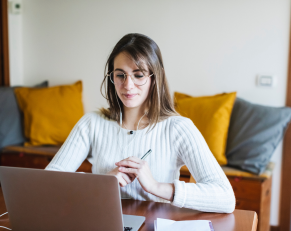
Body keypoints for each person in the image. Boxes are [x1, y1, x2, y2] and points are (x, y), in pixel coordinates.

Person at [45, 33, 235, 213]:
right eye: (120, 75)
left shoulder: (179, 128)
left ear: (155, 77)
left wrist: (156, 186)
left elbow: (225, 198)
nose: (128, 85)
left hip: (155, 230)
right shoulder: (91, 124)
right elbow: (48, 183)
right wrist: (102, 183)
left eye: (138, 75)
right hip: (101, 226)